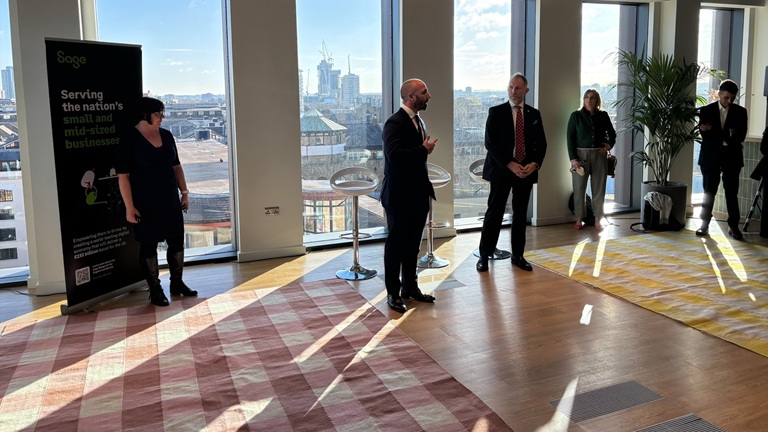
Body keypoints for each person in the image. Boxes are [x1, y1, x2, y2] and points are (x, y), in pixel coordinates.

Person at [117, 97, 197, 306]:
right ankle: (155, 289)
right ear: (145, 115)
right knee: (149, 245)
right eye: (158, 114)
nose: (162, 117)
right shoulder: (129, 139)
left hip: (170, 199)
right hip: (145, 202)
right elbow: (123, 177)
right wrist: (129, 207)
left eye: (162, 113)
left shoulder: (167, 135)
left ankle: (177, 284)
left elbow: (176, 166)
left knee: (177, 241)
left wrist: (185, 192)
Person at [476, 73, 547, 273]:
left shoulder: (534, 114)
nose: (514, 92)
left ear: (526, 90)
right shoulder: (496, 112)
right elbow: (490, 143)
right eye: (511, 87)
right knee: (494, 213)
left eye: (518, 88)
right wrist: (510, 164)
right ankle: (484, 255)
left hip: (525, 172)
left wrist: (534, 164)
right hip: (501, 170)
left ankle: (518, 256)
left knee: (520, 214)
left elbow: (542, 144)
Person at [380, 79, 438, 313]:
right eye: (424, 92)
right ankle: (393, 293)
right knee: (396, 245)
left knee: (413, 243)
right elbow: (395, 156)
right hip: (399, 194)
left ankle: (410, 287)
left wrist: (422, 152)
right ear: (411, 97)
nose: (429, 95)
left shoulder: (418, 120)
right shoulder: (393, 123)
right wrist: (423, 150)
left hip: (417, 192)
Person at [696, 79, 748, 240]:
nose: (729, 101)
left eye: (732, 98)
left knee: (732, 192)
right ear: (718, 94)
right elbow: (705, 135)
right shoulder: (706, 110)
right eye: (726, 97)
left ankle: (733, 226)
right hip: (710, 156)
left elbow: (740, 137)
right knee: (708, 192)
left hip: (732, 157)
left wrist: (715, 131)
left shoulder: (740, 112)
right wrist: (727, 134)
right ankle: (704, 224)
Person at [567, 88, 616, 231]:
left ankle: (597, 219)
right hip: (580, 157)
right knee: (579, 188)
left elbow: (612, 134)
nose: (589, 100)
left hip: (599, 156)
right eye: (586, 97)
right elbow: (570, 139)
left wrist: (608, 145)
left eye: (592, 97)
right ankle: (579, 218)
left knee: (599, 189)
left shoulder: (603, 115)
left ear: (597, 100)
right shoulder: (575, 116)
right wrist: (573, 159)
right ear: (583, 100)